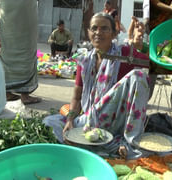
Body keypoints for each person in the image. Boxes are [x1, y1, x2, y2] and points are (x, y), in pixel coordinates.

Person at [44, 12, 150, 159]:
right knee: (49, 122)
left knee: (138, 76)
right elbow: (77, 96)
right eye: (94, 28)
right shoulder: (85, 60)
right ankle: (100, 144)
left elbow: (155, 63)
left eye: (104, 29)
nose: (98, 33)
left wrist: (142, 46)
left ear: (114, 34)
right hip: (89, 120)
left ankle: (129, 143)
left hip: (114, 121)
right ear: (88, 33)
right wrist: (70, 120)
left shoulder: (125, 54)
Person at [0, 0, 41, 104]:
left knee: (8, 47)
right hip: (24, 6)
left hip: (7, 6)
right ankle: (25, 95)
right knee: (25, 47)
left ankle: (7, 92)